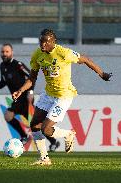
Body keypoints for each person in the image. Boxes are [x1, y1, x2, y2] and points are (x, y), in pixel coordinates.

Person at [12, 28, 112, 165]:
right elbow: (32, 78)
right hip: (48, 94)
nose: (43, 45)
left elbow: (86, 60)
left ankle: (68, 134)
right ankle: (44, 159)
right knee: (34, 124)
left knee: (46, 129)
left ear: (53, 42)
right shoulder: (37, 54)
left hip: (63, 96)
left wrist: (102, 74)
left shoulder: (63, 53)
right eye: (41, 41)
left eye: (46, 42)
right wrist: (20, 90)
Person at [0, 43, 60, 151]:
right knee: (8, 116)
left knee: (36, 125)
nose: (4, 54)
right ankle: (24, 136)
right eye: (3, 52)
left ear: (12, 53)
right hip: (17, 100)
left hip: (26, 98)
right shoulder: (2, 66)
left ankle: (54, 142)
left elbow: (32, 77)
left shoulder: (18, 64)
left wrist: (30, 92)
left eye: (7, 52)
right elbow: (4, 80)